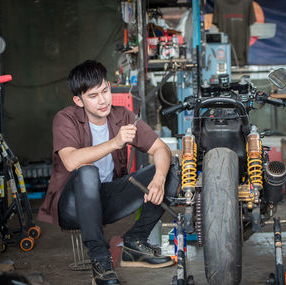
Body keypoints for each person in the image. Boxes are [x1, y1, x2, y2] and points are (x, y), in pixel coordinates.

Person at [37, 60, 180, 285]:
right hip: (73, 205)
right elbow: (71, 160)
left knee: (172, 168)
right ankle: (100, 259)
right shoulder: (65, 119)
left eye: (105, 91)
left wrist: (159, 179)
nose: (103, 100)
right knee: (87, 172)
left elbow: (160, 148)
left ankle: (135, 243)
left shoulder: (121, 115)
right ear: (78, 100)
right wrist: (115, 142)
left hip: (107, 200)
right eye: (93, 96)